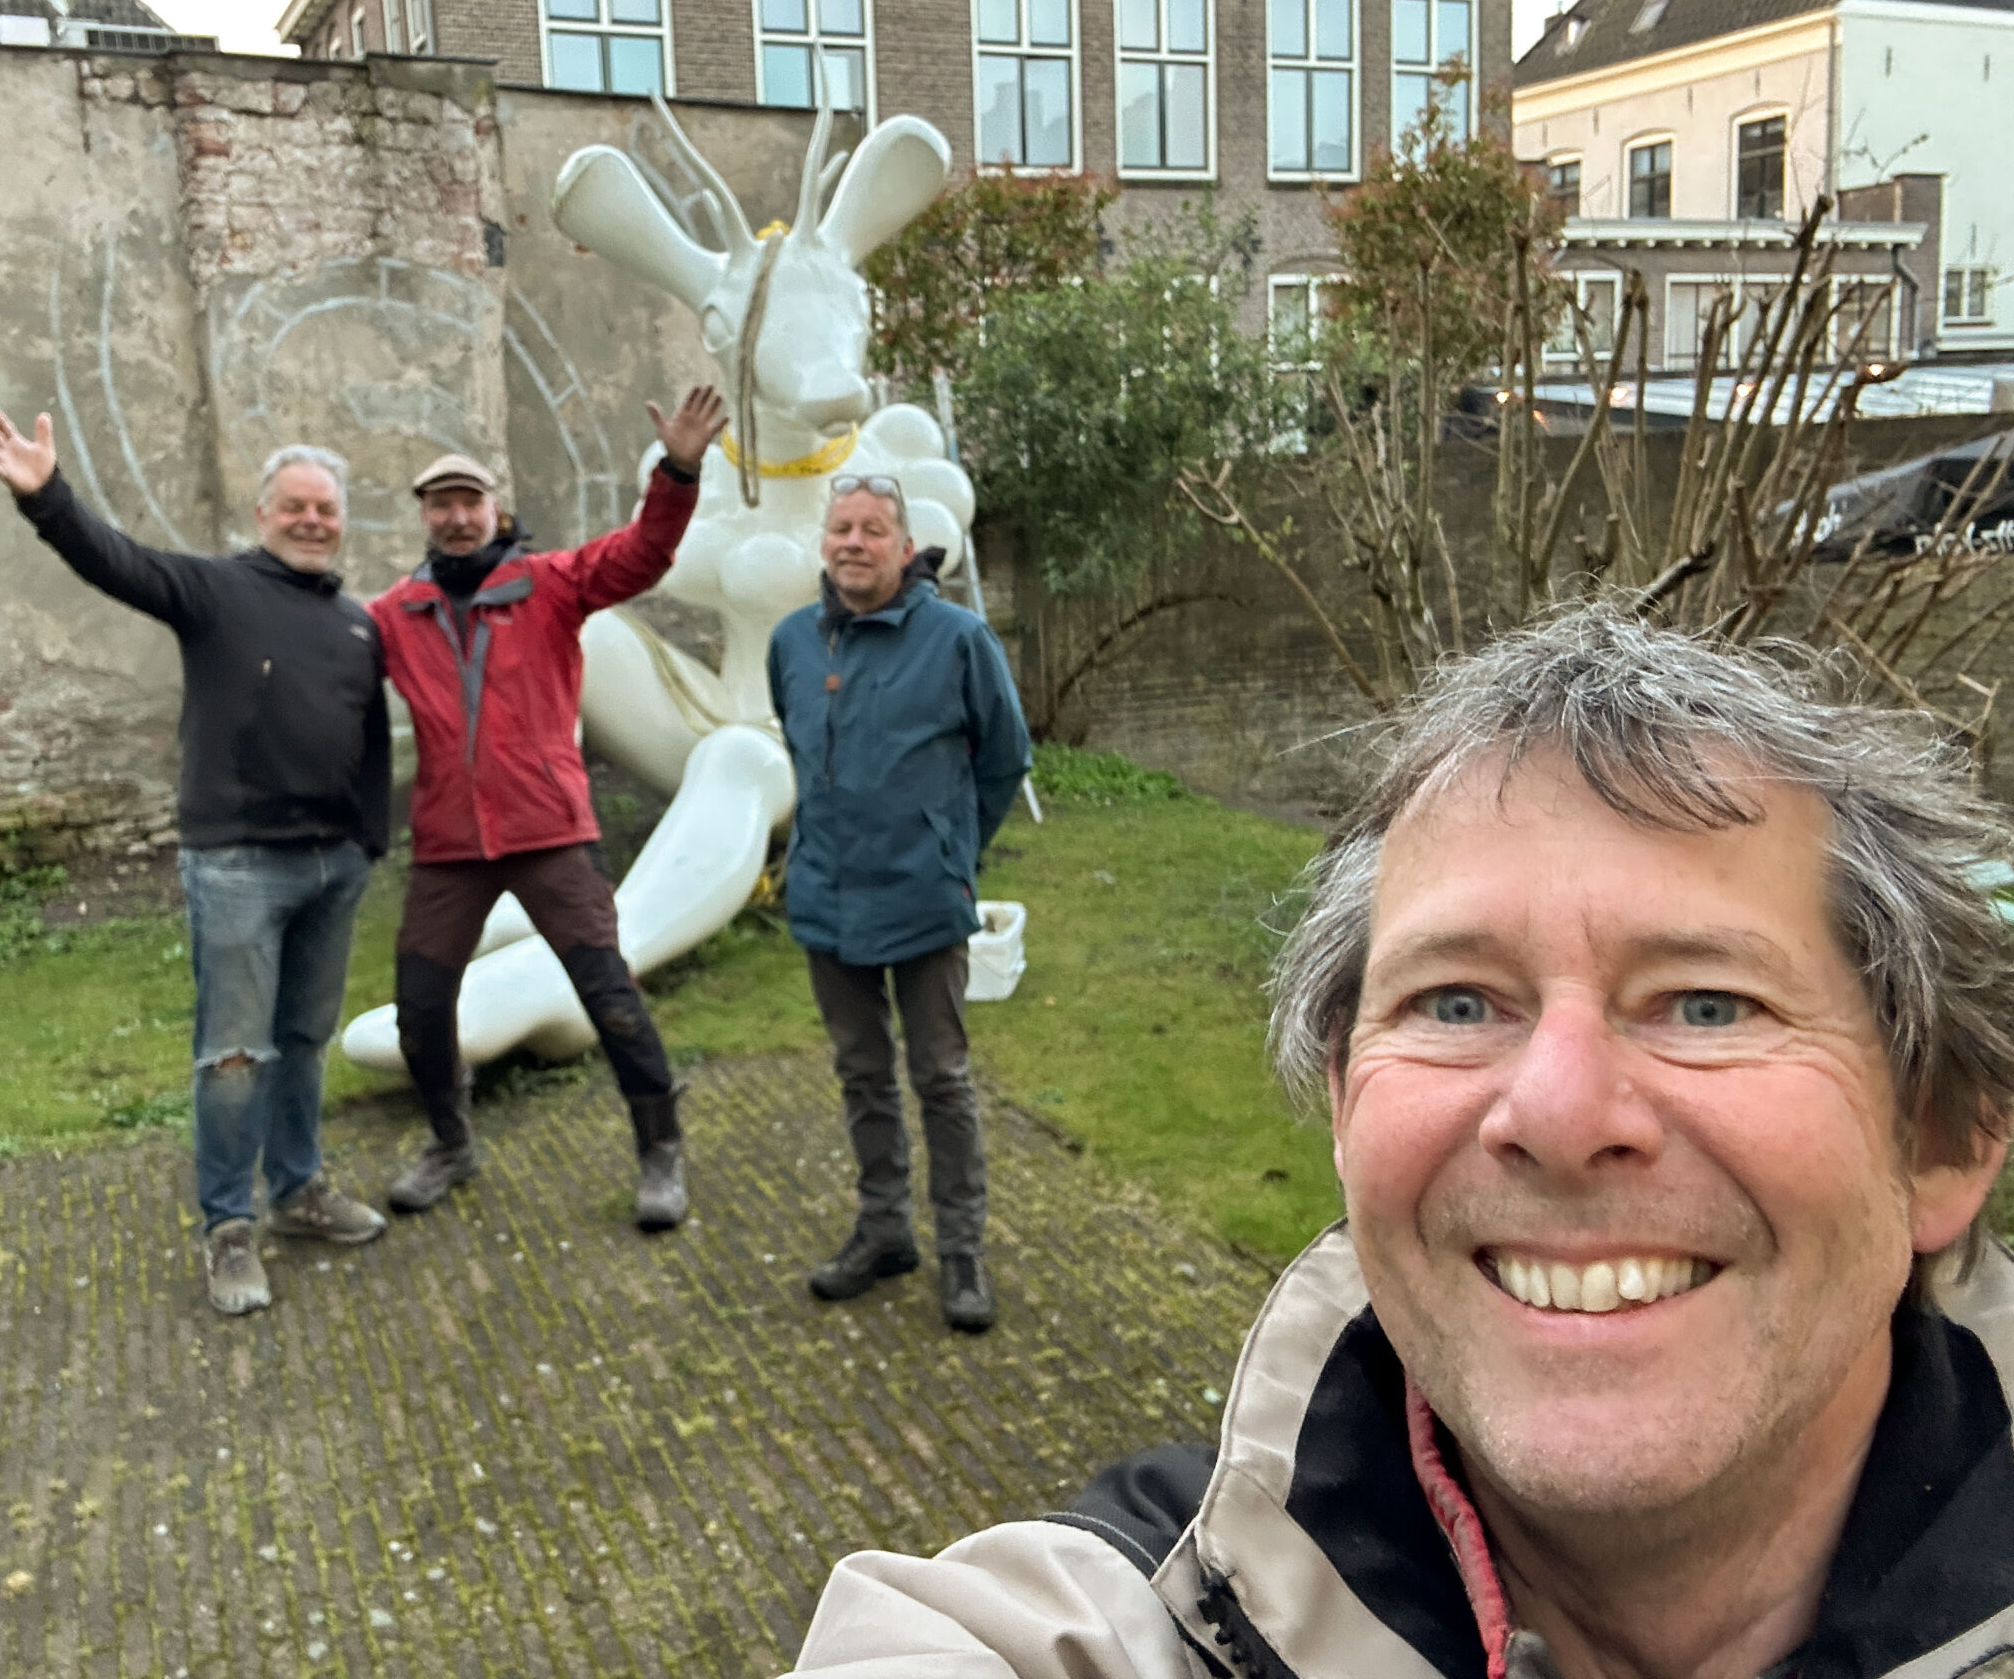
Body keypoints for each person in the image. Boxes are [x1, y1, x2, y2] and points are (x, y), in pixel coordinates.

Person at [779, 603, 2014, 1679]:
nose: (1558, 1115)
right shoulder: (1131, 1619)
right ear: (1341, 1105)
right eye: (1457, 1004)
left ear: (1944, 1135)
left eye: (1705, 1004)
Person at [0, 408, 393, 1318]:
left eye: (325, 508)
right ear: (263, 513)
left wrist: (368, 844)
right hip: (239, 867)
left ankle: (299, 1191)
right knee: (234, 1054)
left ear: (342, 521)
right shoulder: (214, 591)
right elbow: (116, 562)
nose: (311, 520)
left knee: (305, 1042)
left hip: (332, 871)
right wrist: (47, 499)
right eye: (294, 506)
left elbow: (369, 745)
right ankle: (228, 1227)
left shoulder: (357, 626)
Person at [370, 385, 728, 1229]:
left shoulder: (550, 584)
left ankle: (660, 1149)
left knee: (608, 996)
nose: (457, 518)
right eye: (441, 505)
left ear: (495, 510)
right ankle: (451, 1143)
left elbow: (642, 555)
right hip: (450, 845)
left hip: (549, 833)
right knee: (421, 1008)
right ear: (425, 517)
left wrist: (677, 472)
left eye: (469, 502)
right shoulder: (395, 615)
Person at [767, 474, 1032, 1334]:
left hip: (923, 899)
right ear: (823, 542)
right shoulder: (792, 642)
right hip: (825, 900)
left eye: (873, 529)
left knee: (941, 1078)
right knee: (861, 1074)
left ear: (904, 546)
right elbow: (798, 748)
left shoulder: (958, 639)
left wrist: (954, 850)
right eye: (841, 527)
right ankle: (884, 1231)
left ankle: (962, 1250)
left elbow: (1004, 757)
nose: (854, 542)